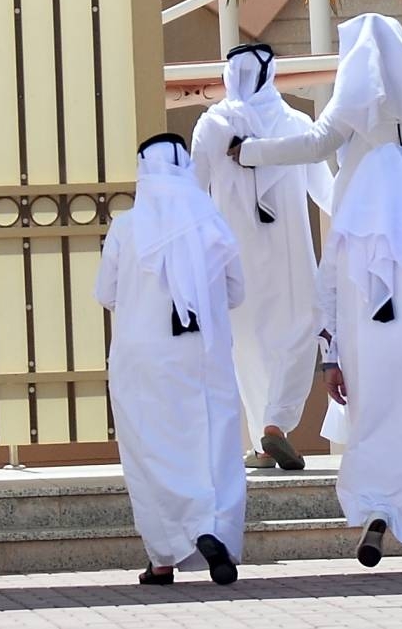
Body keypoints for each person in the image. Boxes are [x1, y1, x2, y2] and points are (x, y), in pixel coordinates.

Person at [228, 13, 402, 573]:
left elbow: (317, 144)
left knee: (372, 421)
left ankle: (376, 508)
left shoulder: (356, 110)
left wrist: (251, 153)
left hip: (364, 312)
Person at [95, 133, 246, 586]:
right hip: (204, 355)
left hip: (143, 359)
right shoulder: (212, 222)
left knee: (151, 450)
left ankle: (163, 557)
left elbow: (106, 293)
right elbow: (237, 292)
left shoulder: (126, 227)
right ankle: (212, 533)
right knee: (212, 447)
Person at [191, 42, 332, 471]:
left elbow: (192, 194)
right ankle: (275, 425)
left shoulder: (212, 125)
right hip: (290, 253)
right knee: (300, 332)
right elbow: (325, 192)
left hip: (235, 255)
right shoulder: (297, 124)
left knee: (248, 346)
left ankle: (263, 439)